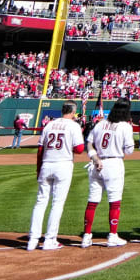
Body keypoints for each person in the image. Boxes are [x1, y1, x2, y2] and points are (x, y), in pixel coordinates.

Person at [28, 103, 86, 250]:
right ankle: (50, 239)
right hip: (63, 165)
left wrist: (38, 169)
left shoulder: (49, 125)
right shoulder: (73, 126)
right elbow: (79, 149)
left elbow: (40, 150)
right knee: (57, 203)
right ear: (73, 113)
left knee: (40, 202)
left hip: (46, 164)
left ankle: (33, 239)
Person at [81, 99, 135, 247]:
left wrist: (95, 157)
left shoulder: (101, 123)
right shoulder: (125, 126)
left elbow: (89, 142)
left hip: (96, 163)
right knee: (114, 201)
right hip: (114, 163)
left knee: (92, 201)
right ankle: (112, 235)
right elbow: (129, 150)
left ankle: (86, 235)